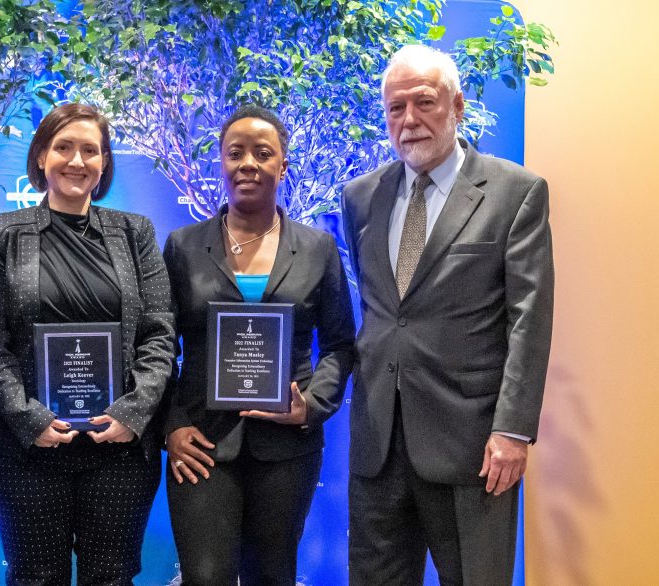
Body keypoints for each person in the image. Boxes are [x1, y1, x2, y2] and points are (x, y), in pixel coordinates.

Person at [341, 44, 554, 585]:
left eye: (424, 103)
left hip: (473, 447)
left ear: (457, 106)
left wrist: (513, 430)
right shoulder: (361, 197)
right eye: (395, 108)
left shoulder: (514, 193)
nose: (408, 120)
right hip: (379, 445)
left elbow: (529, 320)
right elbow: (384, 311)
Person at [0, 103, 176, 584]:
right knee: (34, 576)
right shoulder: (1, 234)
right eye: (64, 147)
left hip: (119, 449)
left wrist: (134, 411)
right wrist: (27, 416)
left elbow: (160, 330)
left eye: (90, 150)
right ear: (41, 156)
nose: (76, 161)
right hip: (29, 449)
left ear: (104, 163)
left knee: (112, 577)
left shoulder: (135, 232)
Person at [162, 105, 356, 585]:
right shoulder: (183, 246)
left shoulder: (317, 248)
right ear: (221, 164)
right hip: (201, 443)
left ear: (283, 166)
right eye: (235, 153)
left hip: (288, 447)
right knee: (205, 576)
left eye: (263, 153)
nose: (248, 163)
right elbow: (158, 345)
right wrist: (171, 426)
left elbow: (340, 343)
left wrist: (311, 406)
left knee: (272, 575)